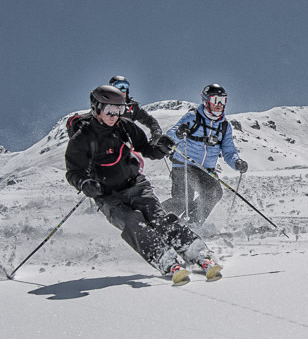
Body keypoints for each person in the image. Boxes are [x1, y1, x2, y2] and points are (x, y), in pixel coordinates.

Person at [64, 85, 222, 284]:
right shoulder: (82, 138)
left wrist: (160, 148)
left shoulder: (125, 127)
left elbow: (146, 148)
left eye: (119, 110)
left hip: (136, 185)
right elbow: (73, 171)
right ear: (96, 108)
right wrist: (84, 183)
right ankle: (164, 259)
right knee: (133, 222)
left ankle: (197, 253)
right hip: (108, 195)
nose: (115, 115)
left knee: (159, 219)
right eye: (109, 110)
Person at [163, 83, 247, 226]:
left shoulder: (224, 126)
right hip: (184, 164)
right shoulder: (192, 117)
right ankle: (155, 219)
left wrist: (236, 162)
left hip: (206, 170)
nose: (219, 104)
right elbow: (170, 136)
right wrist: (179, 133)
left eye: (223, 100)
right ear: (206, 101)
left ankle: (190, 225)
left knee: (214, 193)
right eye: (215, 100)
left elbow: (228, 150)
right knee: (183, 200)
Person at [108, 75, 163, 143]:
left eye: (125, 86)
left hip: (126, 144)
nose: (122, 89)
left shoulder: (132, 107)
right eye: (119, 85)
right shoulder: (105, 105)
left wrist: (156, 131)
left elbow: (148, 120)